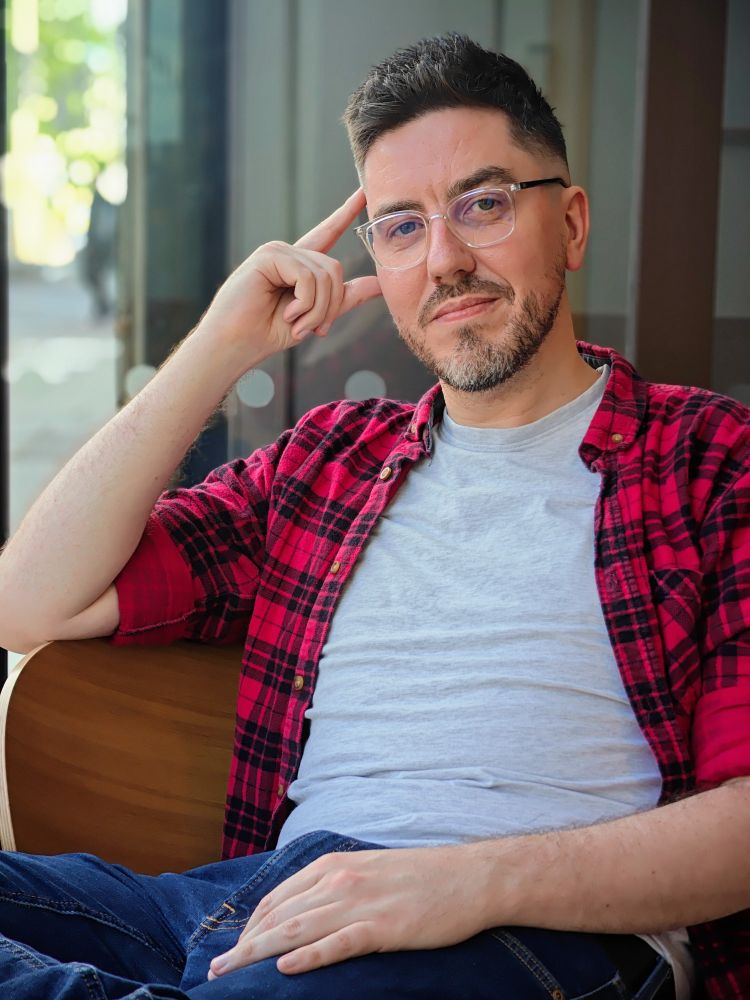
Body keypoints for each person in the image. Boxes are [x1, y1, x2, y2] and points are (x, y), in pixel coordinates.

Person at [0, 32, 747, 1000]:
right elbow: (27, 603)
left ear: (569, 223)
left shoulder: (712, 461)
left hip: (534, 933)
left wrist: (471, 879)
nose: (445, 259)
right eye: (401, 226)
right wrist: (219, 347)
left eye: (483, 205)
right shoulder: (330, 463)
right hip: (267, 901)